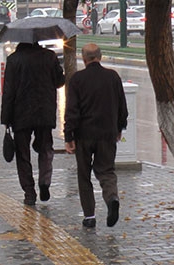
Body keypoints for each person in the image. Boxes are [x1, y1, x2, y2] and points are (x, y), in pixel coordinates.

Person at [64, 43, 128, 228]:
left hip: (84, 135)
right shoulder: (113, 77)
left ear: (84, 59)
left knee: (84, 175)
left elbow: (72, 111)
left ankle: (89, 216)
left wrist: (69, 137)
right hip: (107, 133)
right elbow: (122, 107)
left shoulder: (77, 79)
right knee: (106, 171)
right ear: (100, 57)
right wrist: (119, 128)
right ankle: (112, 198)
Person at [1, 42, 65, 206]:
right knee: (45, 148)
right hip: (45, 111)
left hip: (20, 114)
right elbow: (60, 81)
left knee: (23, 154)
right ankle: (44, 182)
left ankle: (29, 193)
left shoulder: (14, 60)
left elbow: (8, 91)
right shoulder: (49, 57)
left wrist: (6, 119)